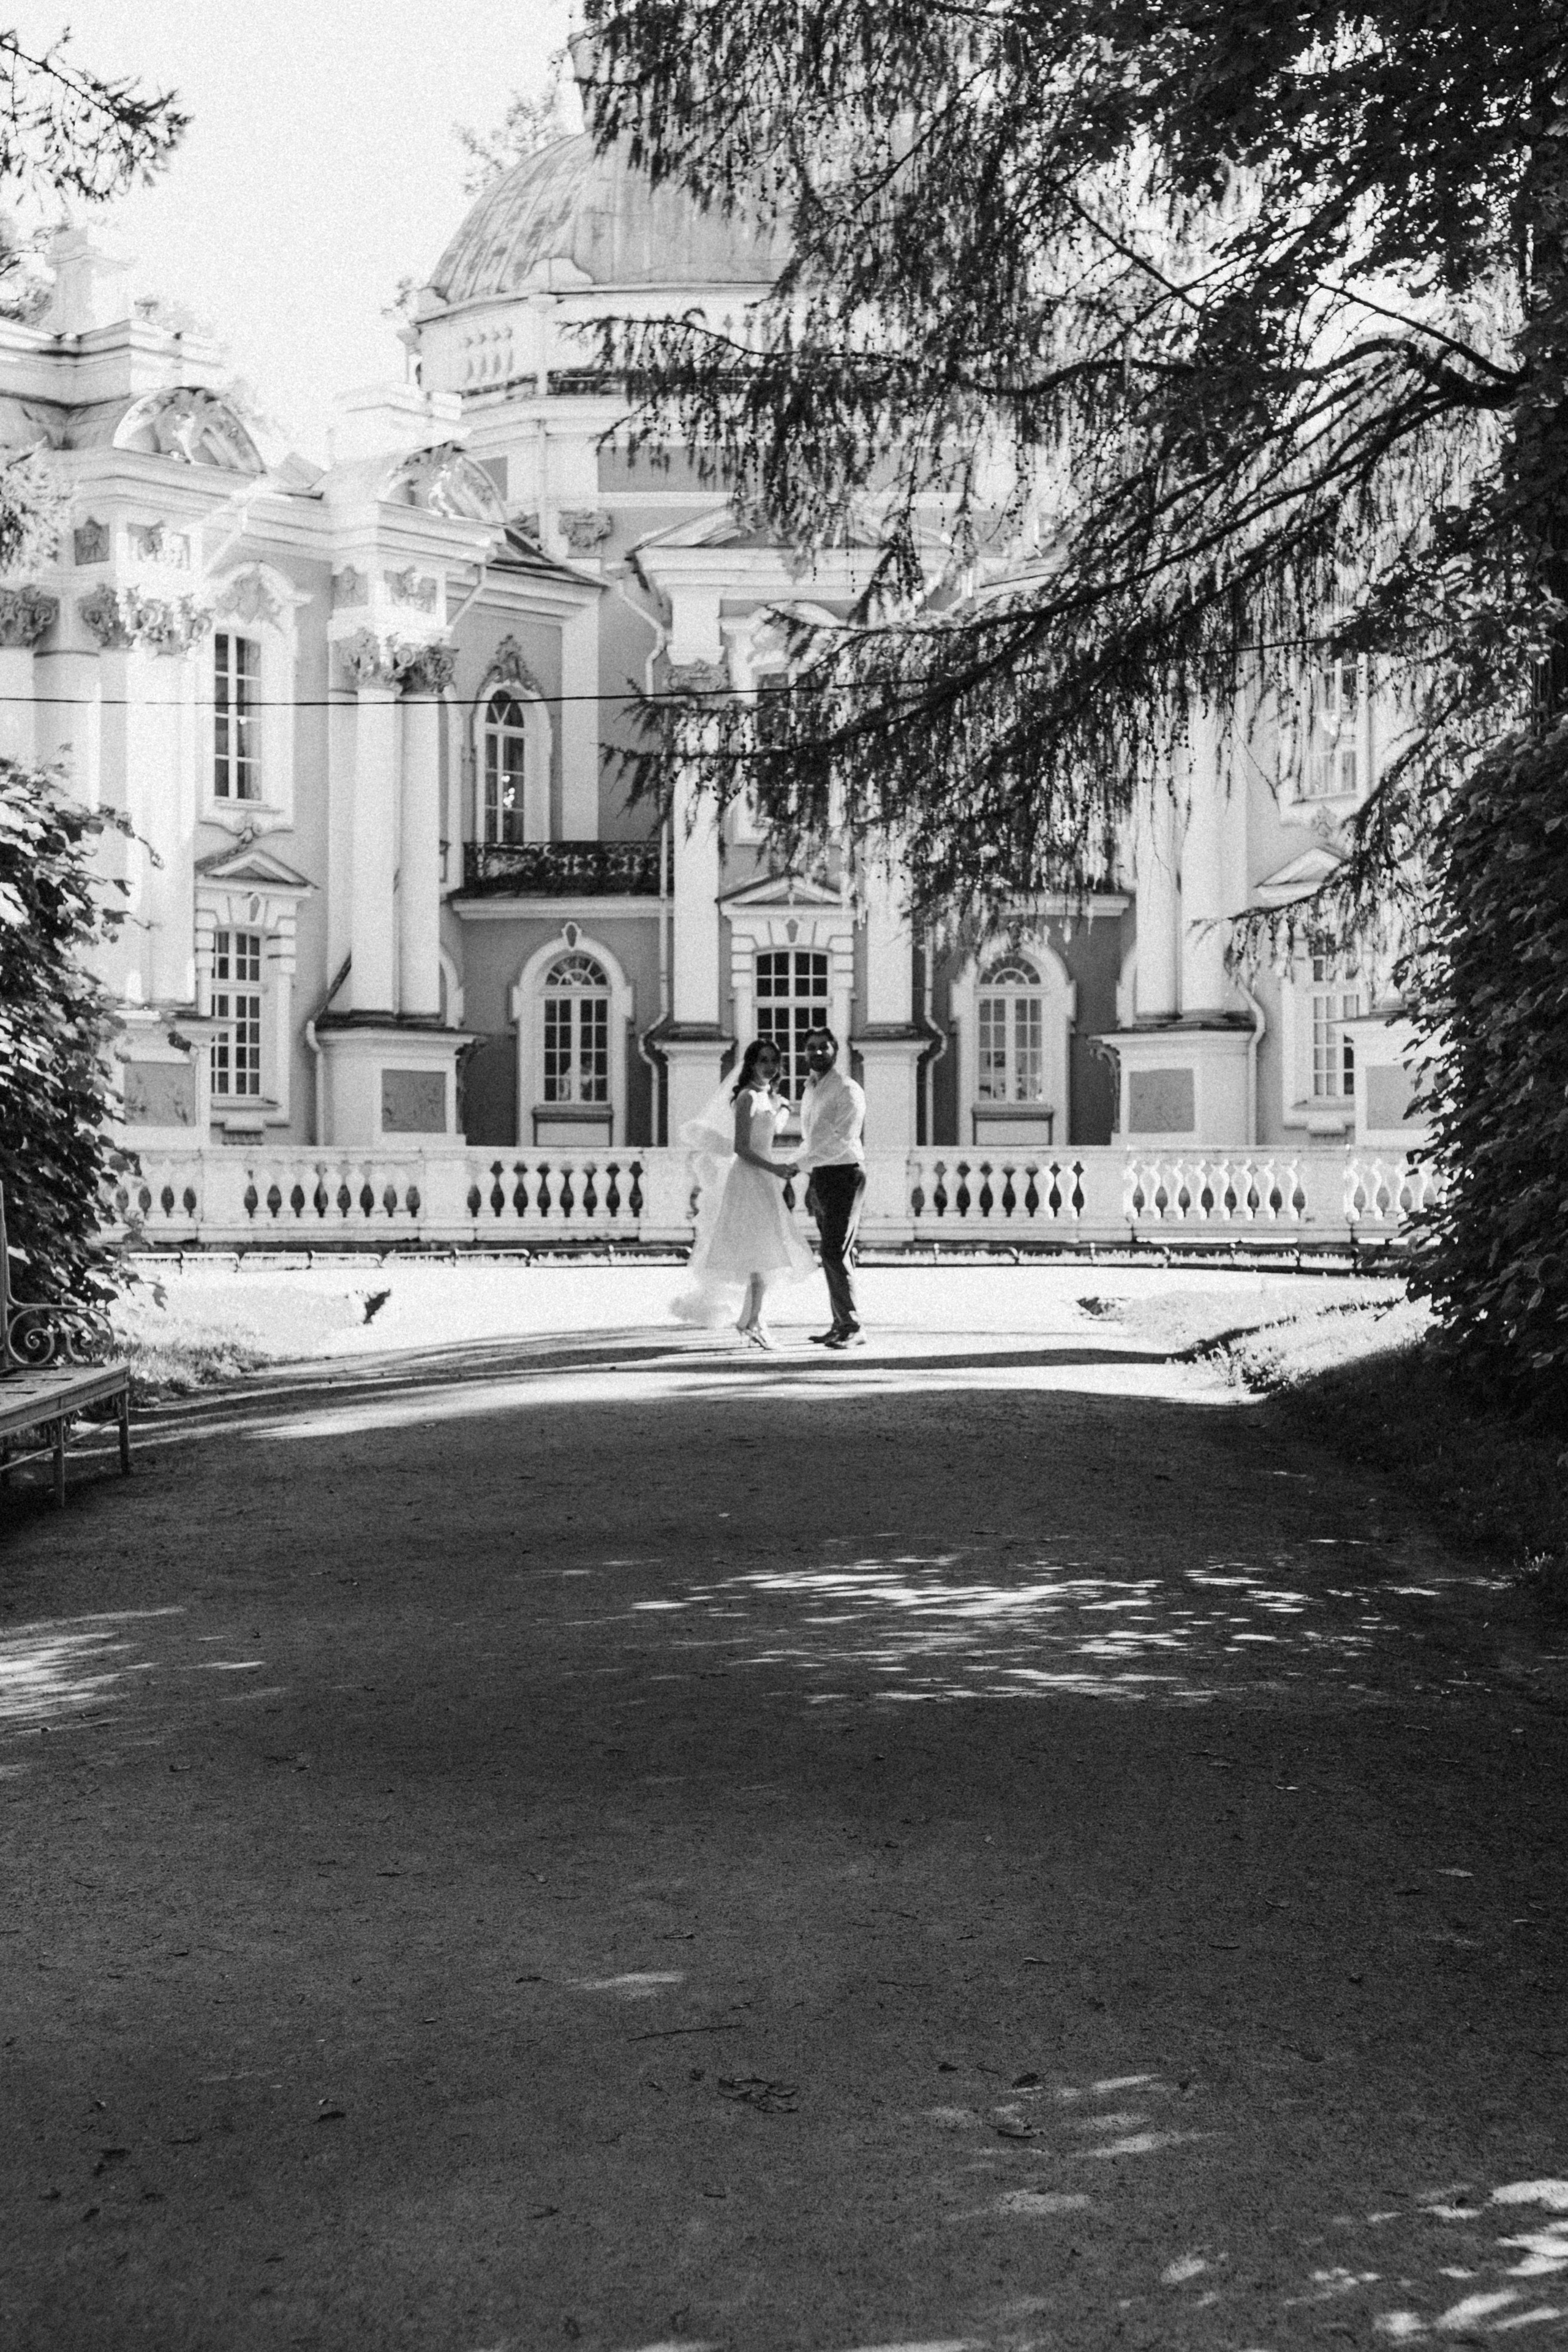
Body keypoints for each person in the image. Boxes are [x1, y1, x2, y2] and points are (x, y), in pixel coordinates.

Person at [674, 1038, 815, 1346]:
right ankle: (753, 1322)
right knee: (761, 1252)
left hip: (764, 1177)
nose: (769, 1066)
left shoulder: (767, 1097)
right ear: (751, 1063)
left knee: (766, 1251)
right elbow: (742, 1148)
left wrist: (783, 1110)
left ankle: (750, 1319)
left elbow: (768, 1132)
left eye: (774, 1061)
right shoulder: (747, 1098)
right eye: (763, 1060)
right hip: (751, 1176)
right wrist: (775, 1169)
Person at [799, 1025, 867, 1350]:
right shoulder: (810, 1089)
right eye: (811, 1047)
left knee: (833, 1251)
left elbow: (842, 1139)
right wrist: (808, 1174)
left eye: (823, 1047)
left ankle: (853, 1326)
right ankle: (840, 1323)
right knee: (834, 1252)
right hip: (822, 1175)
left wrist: (796, 1165)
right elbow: (810, 1138)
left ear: (836, 1051)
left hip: (846, 1174)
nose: (817, 1053)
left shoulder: (848, 1090)